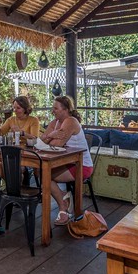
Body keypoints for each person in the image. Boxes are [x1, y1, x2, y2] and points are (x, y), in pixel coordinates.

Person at [39, 95, 94, 226]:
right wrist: (50, 136)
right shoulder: (55, 122)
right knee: (39, 171)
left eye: (55, 108)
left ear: (66, 109)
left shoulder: (71, 121)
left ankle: (63, 206)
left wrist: (49, 138)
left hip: (81, 165)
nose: (53, 111)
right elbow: (41, 141)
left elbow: (56, 144)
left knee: (44, 176)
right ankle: (63, 197)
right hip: (64, 162)